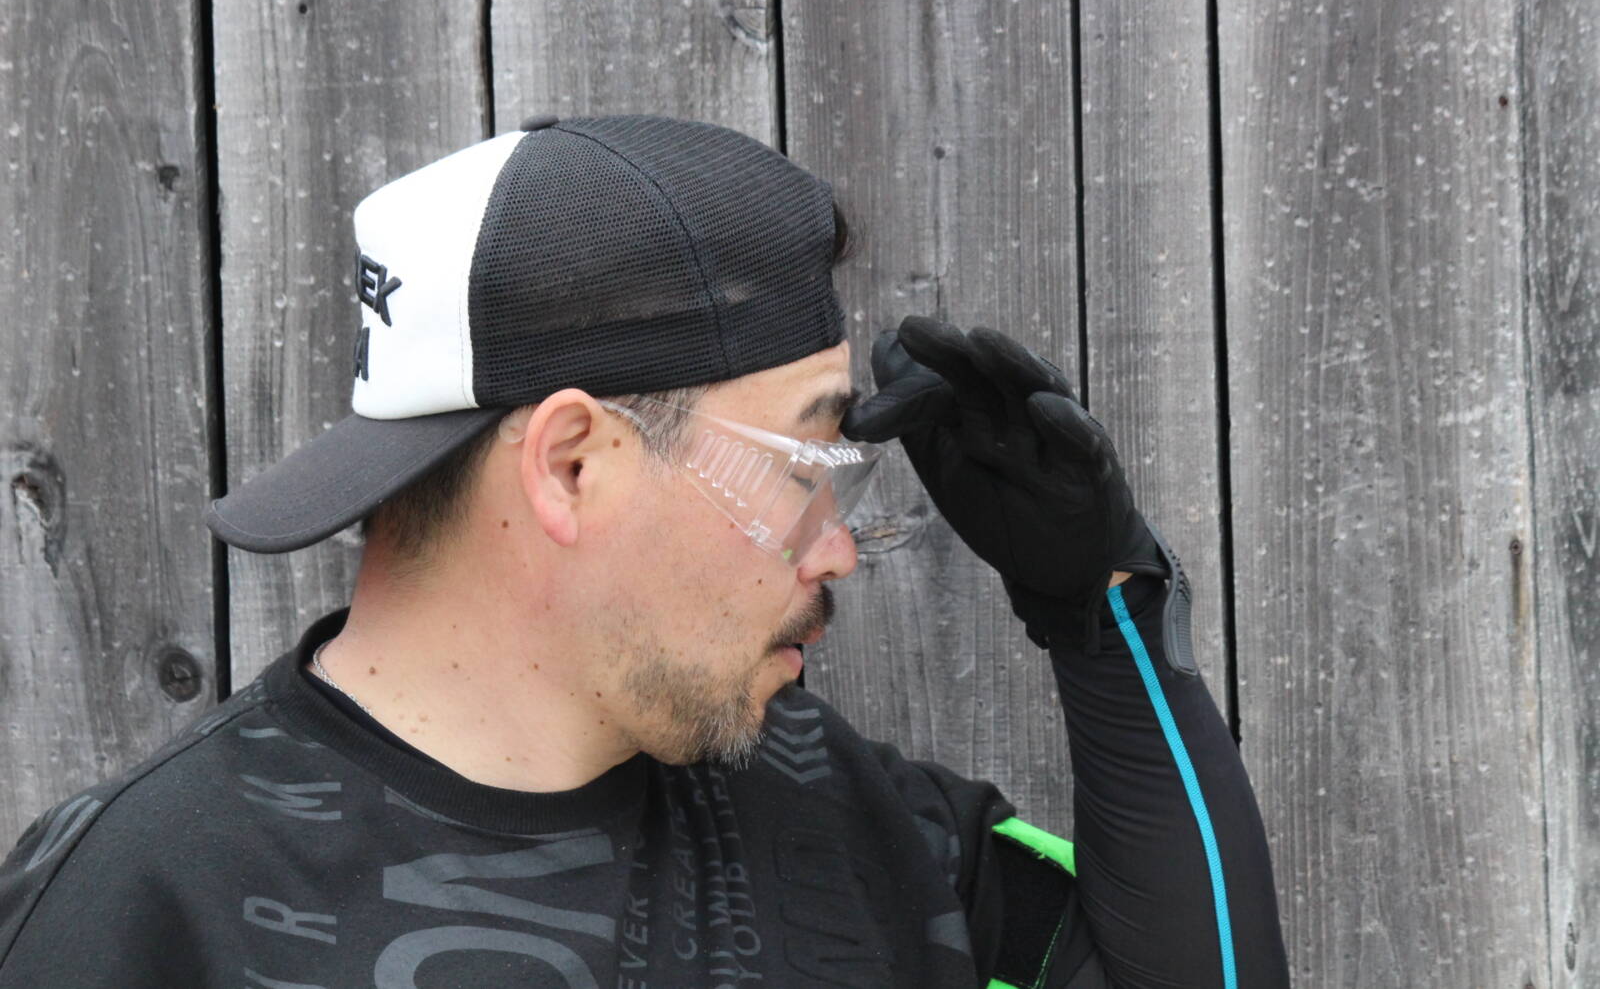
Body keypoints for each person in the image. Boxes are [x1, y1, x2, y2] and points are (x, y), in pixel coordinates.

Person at [0, 114, 1289, 987]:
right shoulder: (143, 906)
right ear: (574, 463)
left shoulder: (833, 810)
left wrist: (1104, 616)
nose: (836, 551)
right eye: (804, 466)